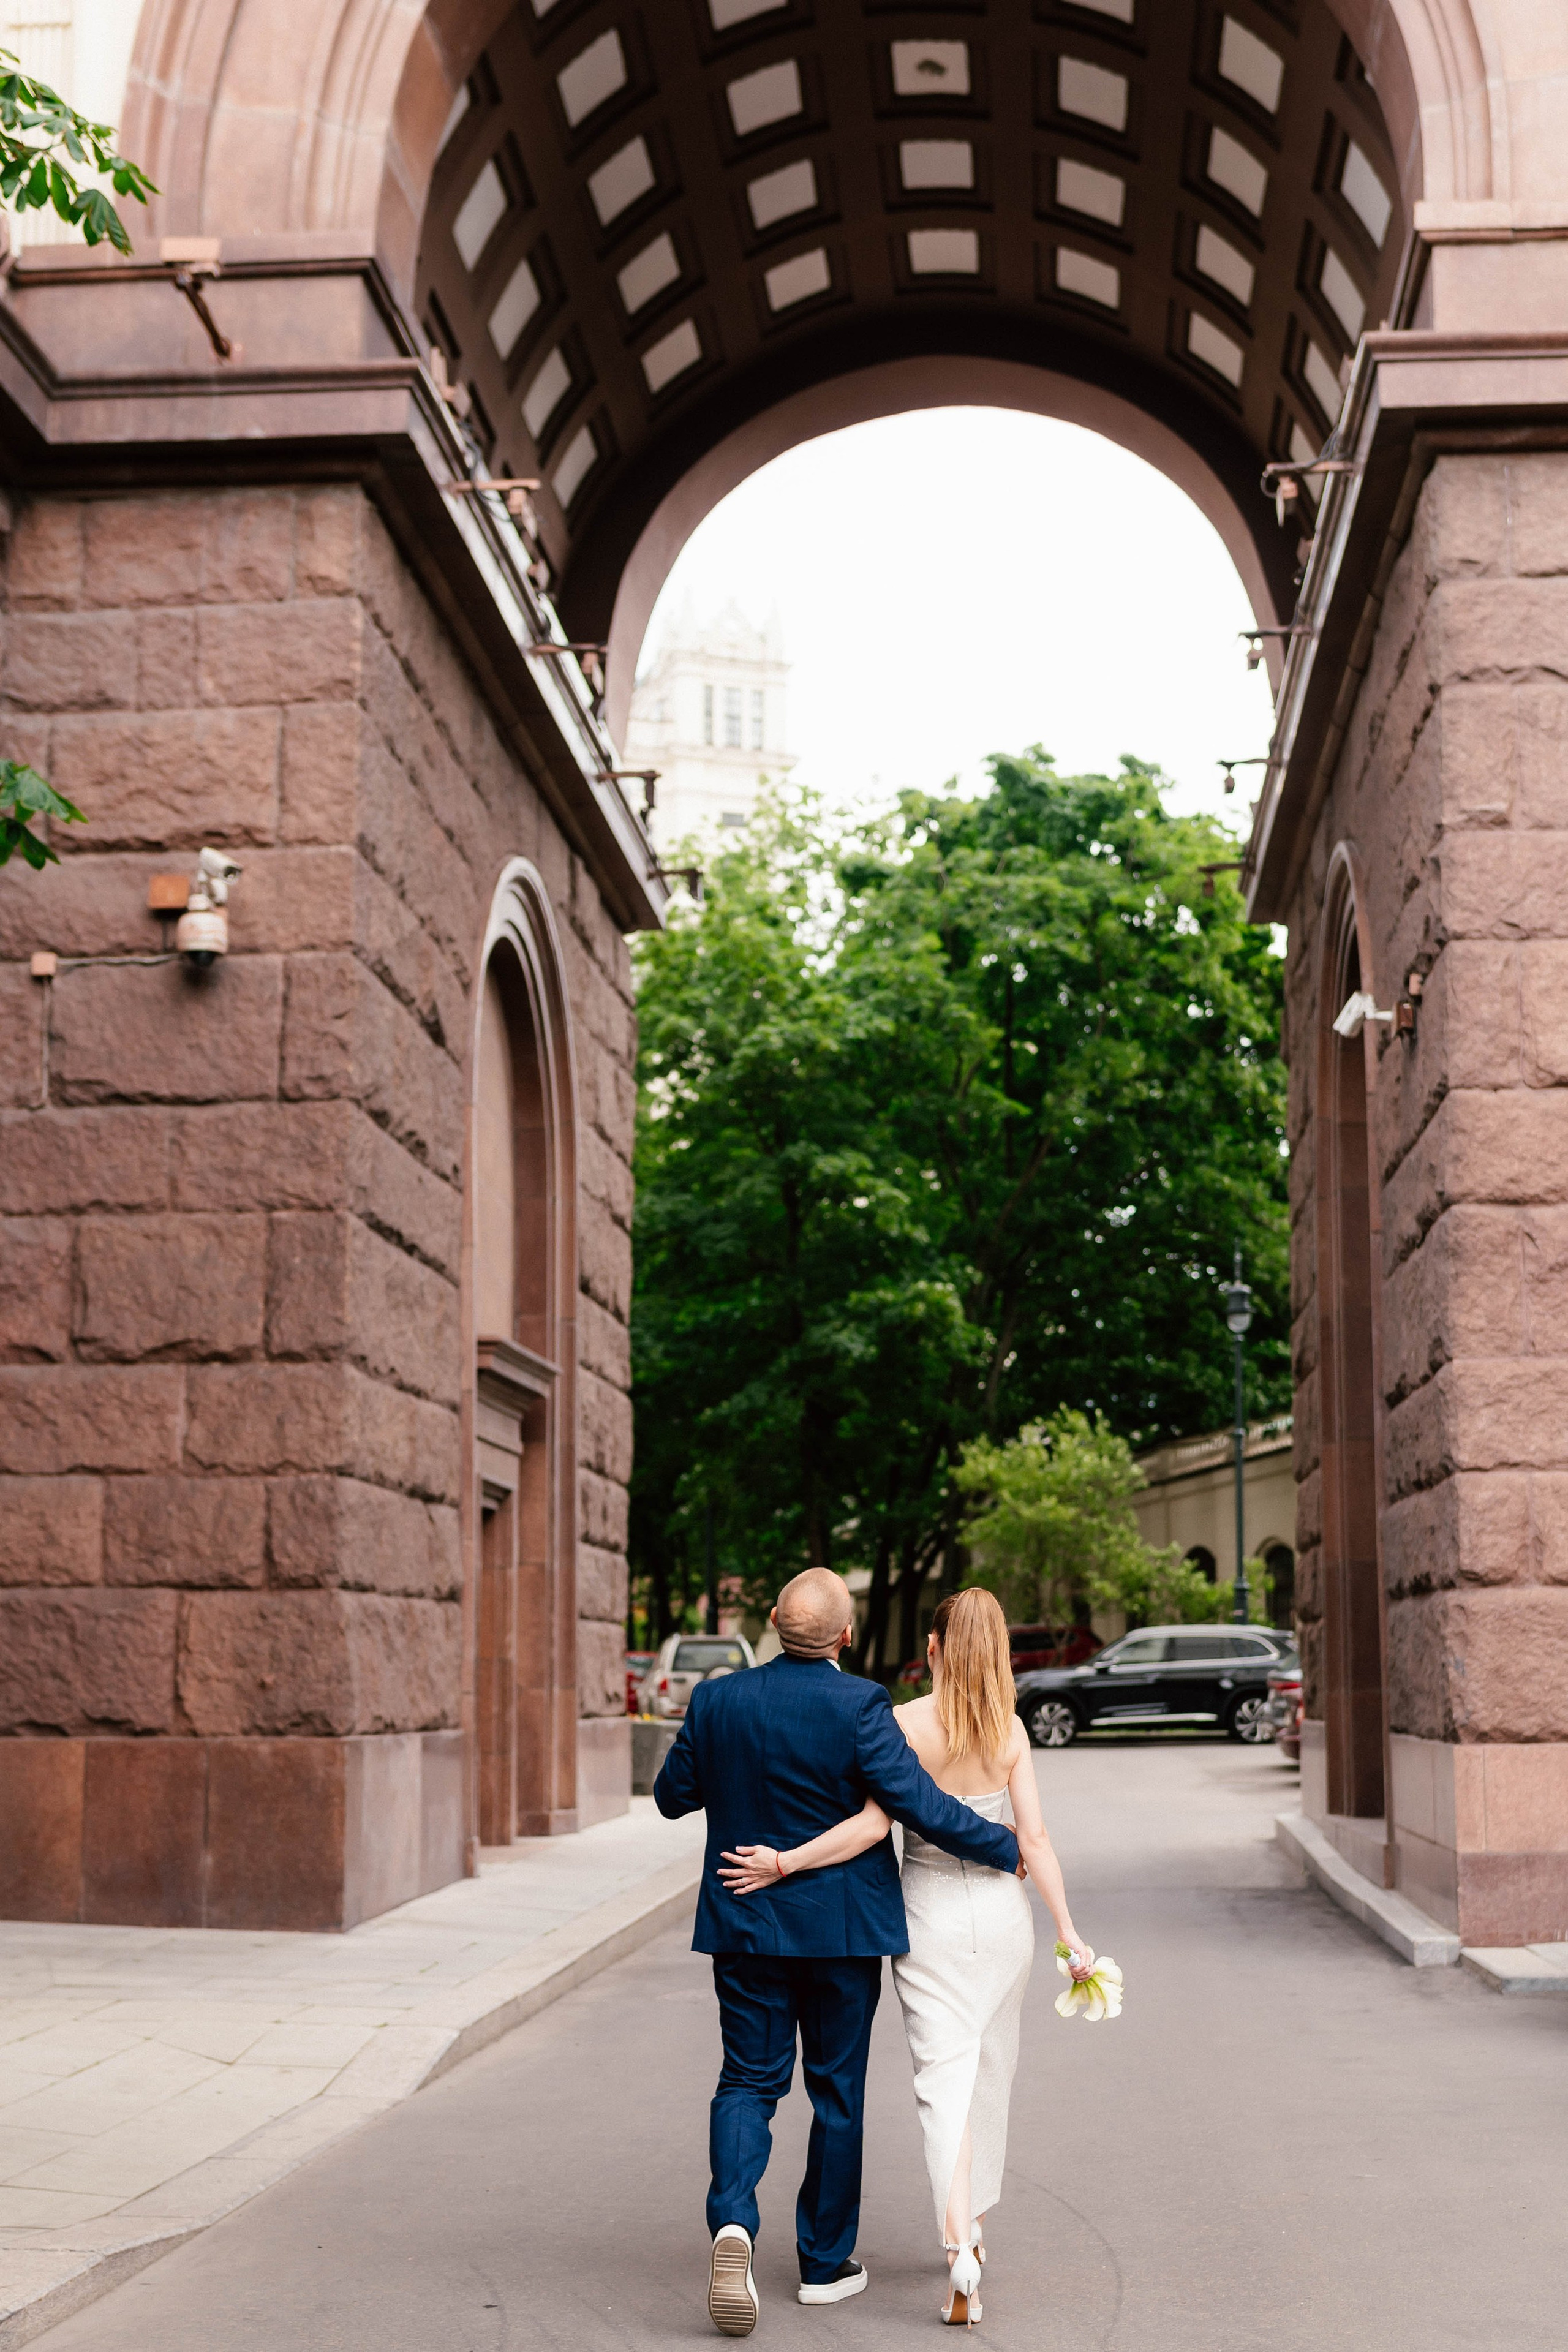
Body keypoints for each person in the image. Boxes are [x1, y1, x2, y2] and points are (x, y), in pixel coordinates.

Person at [652, 1567, 1025, 2337]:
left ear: (769, 1619)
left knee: (748, 2081)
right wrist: (1002, 1845)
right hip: (842, 1931)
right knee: (836, 2093)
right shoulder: (860, 1704)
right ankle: (823, 2265)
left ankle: (732, 2224)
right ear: (846, 1637)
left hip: (746, 1920)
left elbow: (669, 1796)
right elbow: (915, 1805)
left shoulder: (718, 1700)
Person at [720, 1587, 1091, 2328]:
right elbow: (1036, 1842)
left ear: (932, 1650)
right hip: (1002, 1920)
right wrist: (1069, 1934)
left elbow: (867, 1829)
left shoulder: (901, 1725)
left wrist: (785, 1861)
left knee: (942, 2083)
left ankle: (956, 2244)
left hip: (926, 1920)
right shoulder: (1012, 1732)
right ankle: (970, 2232)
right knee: (987, 2075)